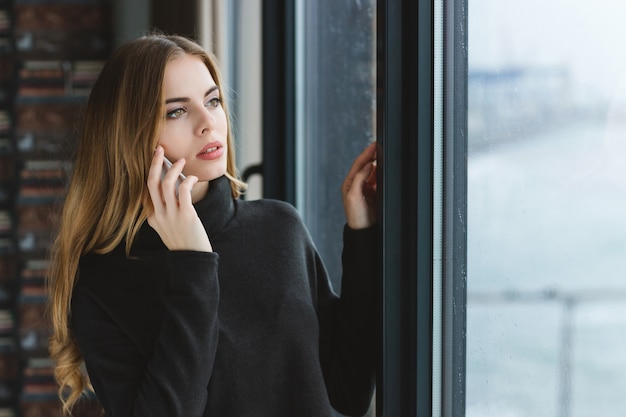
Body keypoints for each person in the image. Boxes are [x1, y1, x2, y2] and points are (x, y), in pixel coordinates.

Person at [47, 33, 379, 417]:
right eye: (177, 111)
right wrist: (192, 263)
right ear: (129, 135)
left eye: (213, 100)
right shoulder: (103, 282)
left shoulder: (278, 228)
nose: (208, 123)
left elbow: (348, 392)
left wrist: (363, 234)